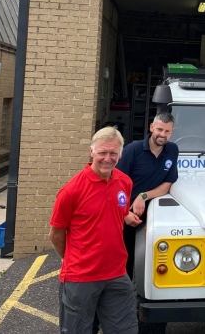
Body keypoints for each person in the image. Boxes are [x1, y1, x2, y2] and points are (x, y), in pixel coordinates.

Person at [92, 112, 179, 334]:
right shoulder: (132, 150)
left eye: (167, 131)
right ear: (151, 127)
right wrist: (124, 214)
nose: (162, 134)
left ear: (172, 132)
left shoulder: (172, 151)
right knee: (116, 271)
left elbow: (167, 185)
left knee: (146, 274)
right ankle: (95, 322)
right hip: (124, 220)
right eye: (159, 129)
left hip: (150, 223)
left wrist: (143, 196)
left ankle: (133, 322)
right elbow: (113, 185)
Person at [48, 126, 140, 334]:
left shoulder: (125, 182)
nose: (108, 158)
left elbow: (119, 212)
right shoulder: (71, 191)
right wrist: (72, 258)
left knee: (125, 330)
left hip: (117, 274)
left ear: (120, 154)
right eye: (102, 153)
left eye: (113, 153)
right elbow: (56, 235)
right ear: (92, 152)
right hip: (81, 278)